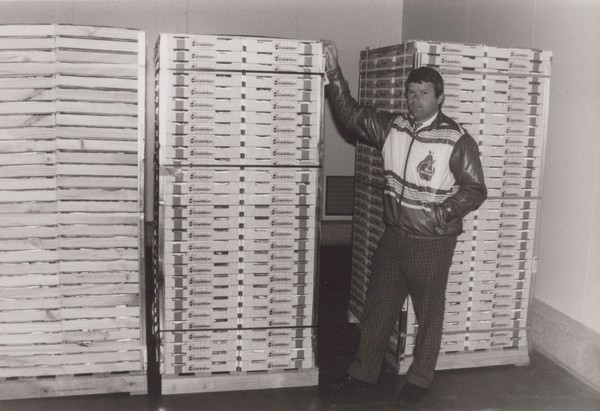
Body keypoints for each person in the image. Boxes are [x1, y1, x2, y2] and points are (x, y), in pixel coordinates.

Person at [322, 40, 487, 403]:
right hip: (395, 235)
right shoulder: (393, 127)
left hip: (431, 242)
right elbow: (351, 115)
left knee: (429, 313)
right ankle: (363, 371)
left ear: (439, 97)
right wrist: (333, 72)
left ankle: (420, 378)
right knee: (378, 305)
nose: (415, 99)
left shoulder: (456, 139)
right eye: (411, 92)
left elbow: (475, 189)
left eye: (424, 93)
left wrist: (438, 215)